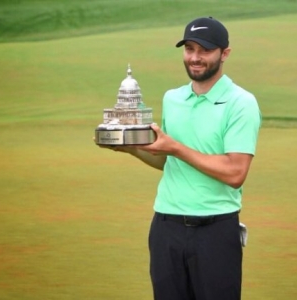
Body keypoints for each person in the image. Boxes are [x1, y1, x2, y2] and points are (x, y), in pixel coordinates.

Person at [98, 16, 261, 300]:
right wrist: (132, 148)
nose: (195, 58)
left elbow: (235, 173)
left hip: (215, 229)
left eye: (204, 50)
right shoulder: (173, 99)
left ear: (225, 54)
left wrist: (176, 148)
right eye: (189, 49)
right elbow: (166, 159)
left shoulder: (241, 102)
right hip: (165, 227)